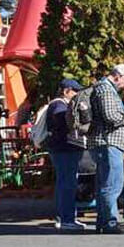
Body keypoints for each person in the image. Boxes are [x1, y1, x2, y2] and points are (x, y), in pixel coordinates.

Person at [89, 64, 124, 234]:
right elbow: (110, 116)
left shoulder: (102, 88)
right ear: (119, 76)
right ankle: (110, 222)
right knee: (112, 185)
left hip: (105, 143)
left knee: (106, 185)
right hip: (108, 142)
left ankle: (103, 222)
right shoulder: (106, 89)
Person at [47, 79, 86, 231]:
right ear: (66, 91)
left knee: (64, 183)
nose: (77, 94)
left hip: (61, 149)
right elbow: (62, 123)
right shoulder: (59, 105)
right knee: (67, 184)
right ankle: (67, 219)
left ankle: (64, 217)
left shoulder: (57, 104)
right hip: (64, 149)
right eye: (75, 91)